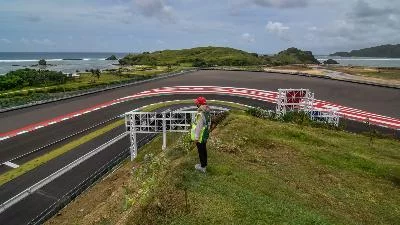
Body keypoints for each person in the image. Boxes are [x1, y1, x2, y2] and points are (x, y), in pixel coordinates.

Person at [191, 96, 211, 173]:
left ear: (199, 104)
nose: (196, 104)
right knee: (204, 150)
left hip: (200, 136)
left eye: (197, 103)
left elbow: (199, 126)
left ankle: (202, 167)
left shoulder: (200, 114)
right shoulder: (207, 112)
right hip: (205, 134)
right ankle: (204, 164)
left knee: (201, 151)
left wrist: (196, 138)